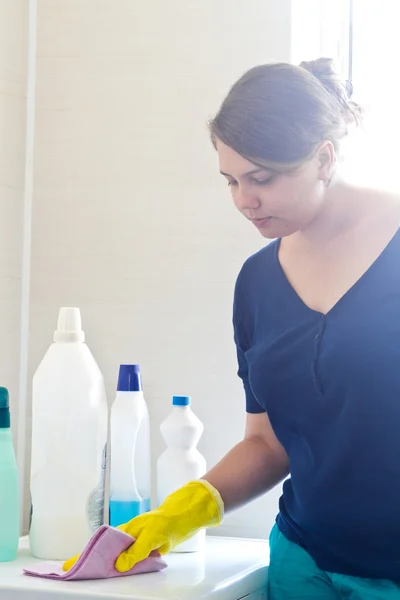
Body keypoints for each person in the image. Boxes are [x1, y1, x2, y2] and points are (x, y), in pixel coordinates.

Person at [64, 58, 400, 599]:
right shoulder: (259, 282)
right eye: (231, 181)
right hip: (303, 564)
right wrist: (180, 513)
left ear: (324, 158)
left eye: (262, 179)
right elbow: (267, 443)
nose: (245, 200)